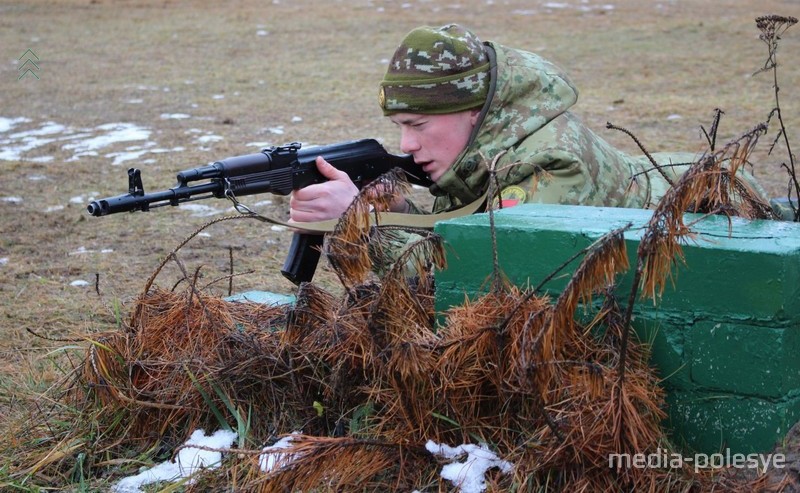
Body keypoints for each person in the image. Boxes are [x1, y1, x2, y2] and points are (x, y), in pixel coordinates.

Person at [289, 24, 777, 256]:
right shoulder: (490, 149)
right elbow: (471, 227)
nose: (408, 145)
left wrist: (364, 224)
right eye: (401, 127)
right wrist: (400, 210)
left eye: (418, 125)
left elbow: (482, 283)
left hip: (722, 209)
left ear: (477, 112)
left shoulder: (550, 165)